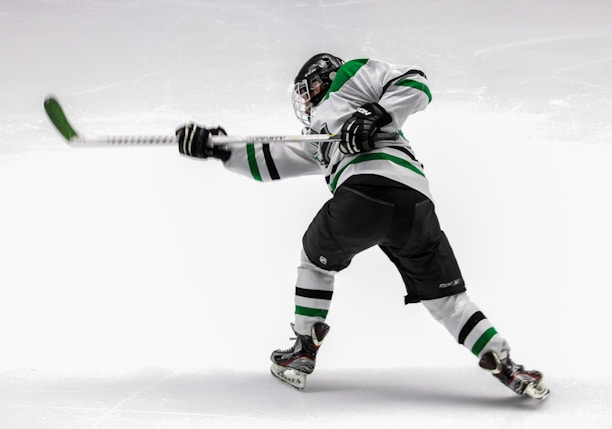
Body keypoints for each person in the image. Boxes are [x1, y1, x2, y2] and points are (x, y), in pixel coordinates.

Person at [175, 53, 550, 399]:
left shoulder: (351, 78)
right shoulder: (318, 138)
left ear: (321, 78)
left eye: (306, 92)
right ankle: (504, 364)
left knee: (315, 257)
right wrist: (218, 147)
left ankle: (304, 349)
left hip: (365, 193)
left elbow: (415, 83)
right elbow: (270, 162)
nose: (305, 102)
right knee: (447, 301)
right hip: (415, 204)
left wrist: (376, 113)